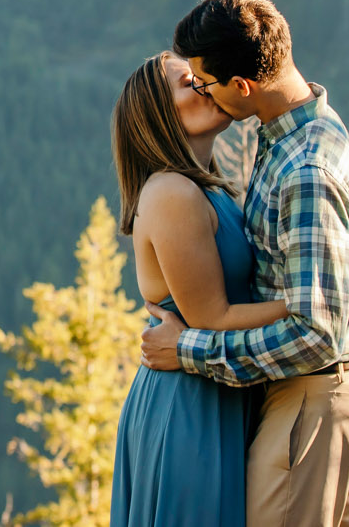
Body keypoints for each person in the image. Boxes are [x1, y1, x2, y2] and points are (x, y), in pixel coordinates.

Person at [138, 0, 349, 527]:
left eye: (205, 83)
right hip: (326, 393)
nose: (201, 91)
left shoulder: (305, 168)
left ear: (241, 87)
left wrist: (187, 349)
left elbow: (315, 332)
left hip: (313, 392)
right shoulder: (296, 137)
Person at [109, 50, 287, 527]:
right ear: (160, 117)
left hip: (216, 391)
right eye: (190, 81)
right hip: (188, 410)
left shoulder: (208, 191)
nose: (207, 84)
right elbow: (215, 318)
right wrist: (311, 302)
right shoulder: (172, 193)